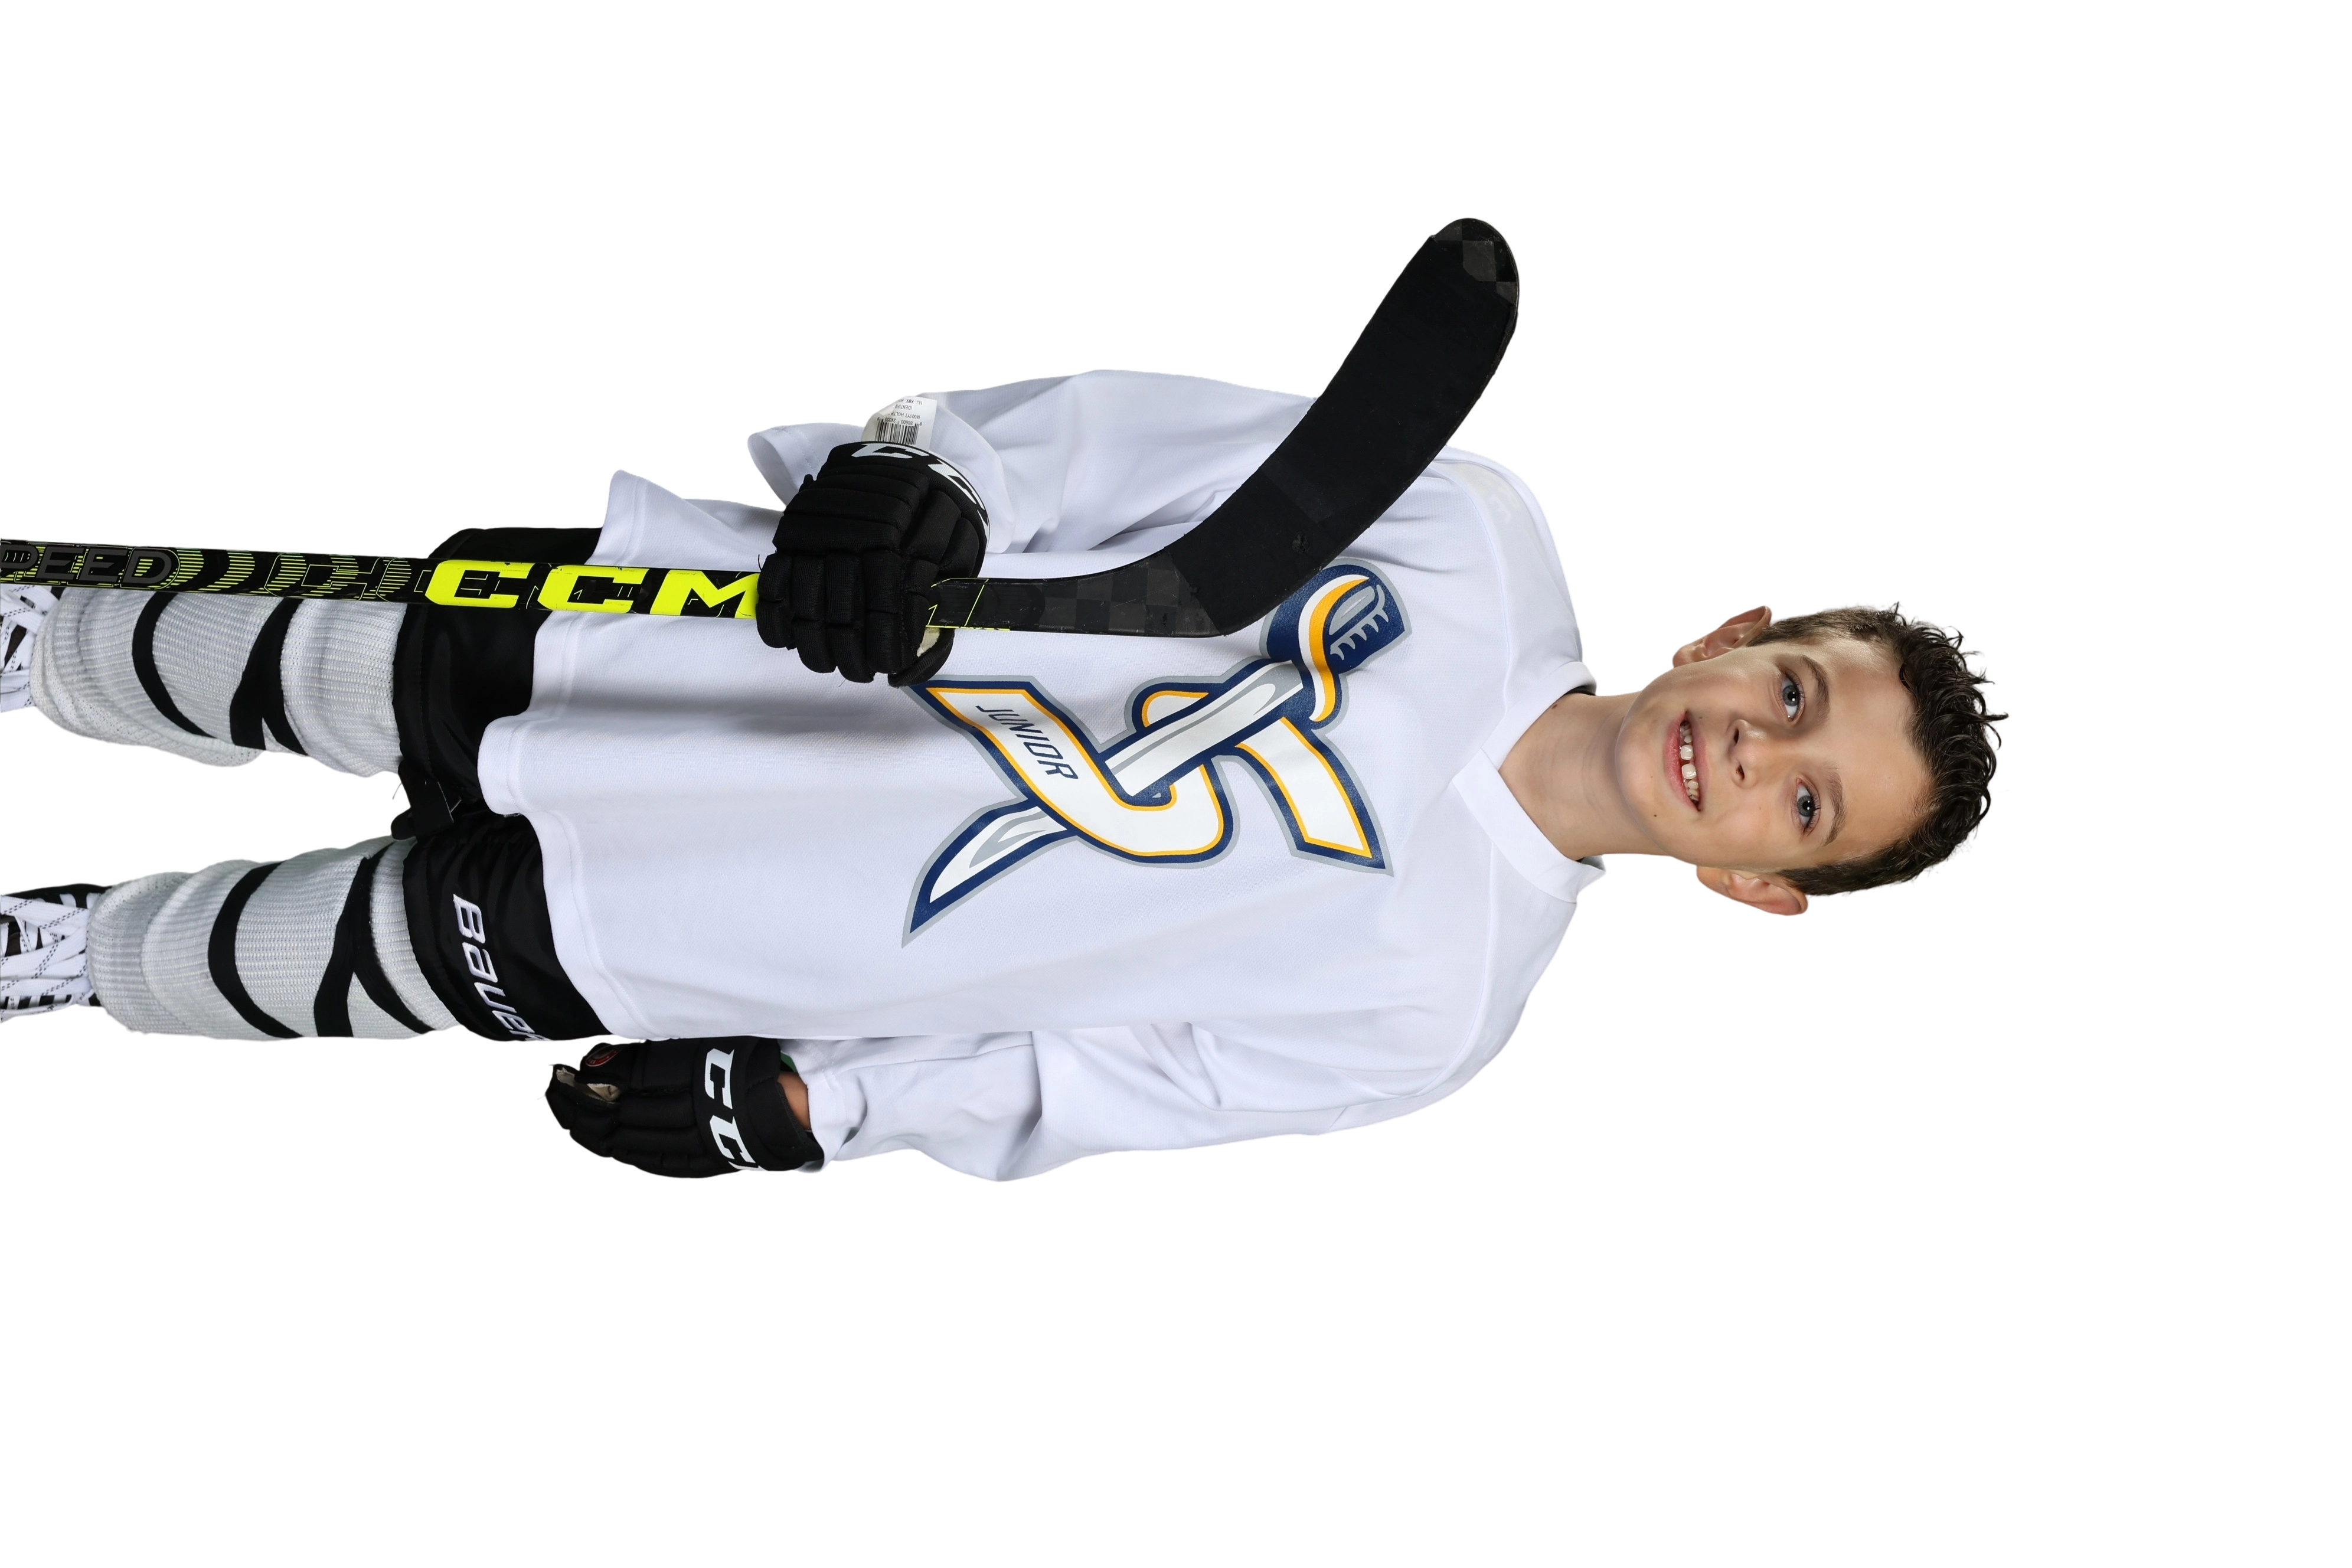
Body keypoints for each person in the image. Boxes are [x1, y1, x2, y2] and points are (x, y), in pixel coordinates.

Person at [0, 368, 2005, 1183]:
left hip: (700, 930)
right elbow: (1112, 448)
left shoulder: (1436, 1010)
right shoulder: (1469, 533)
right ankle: (31, 649)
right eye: (1796, 691)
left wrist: (816, 1106)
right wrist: (927, 485)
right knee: (233, 658)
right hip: (691, 649)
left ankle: (60, 950)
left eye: (1804, 805)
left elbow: (1088, 1079)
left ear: (1764, 889)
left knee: (278, 963)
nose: (1756, 752)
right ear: (1742, 627)